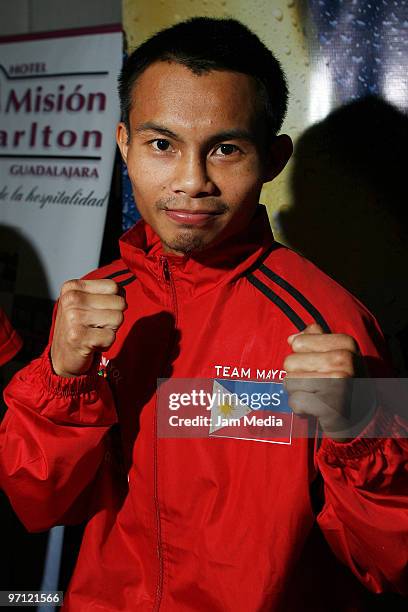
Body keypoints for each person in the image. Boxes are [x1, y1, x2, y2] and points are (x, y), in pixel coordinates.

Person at [0, 17, 407, 612]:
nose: (192, 182)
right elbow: (38, 503)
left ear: (272, 158)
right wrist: (62, 381)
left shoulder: (335, 321)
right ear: (124, 145)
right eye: (162, 144)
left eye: (225, 148)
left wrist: (358, 429)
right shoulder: (91, 303)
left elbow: (394, 565)